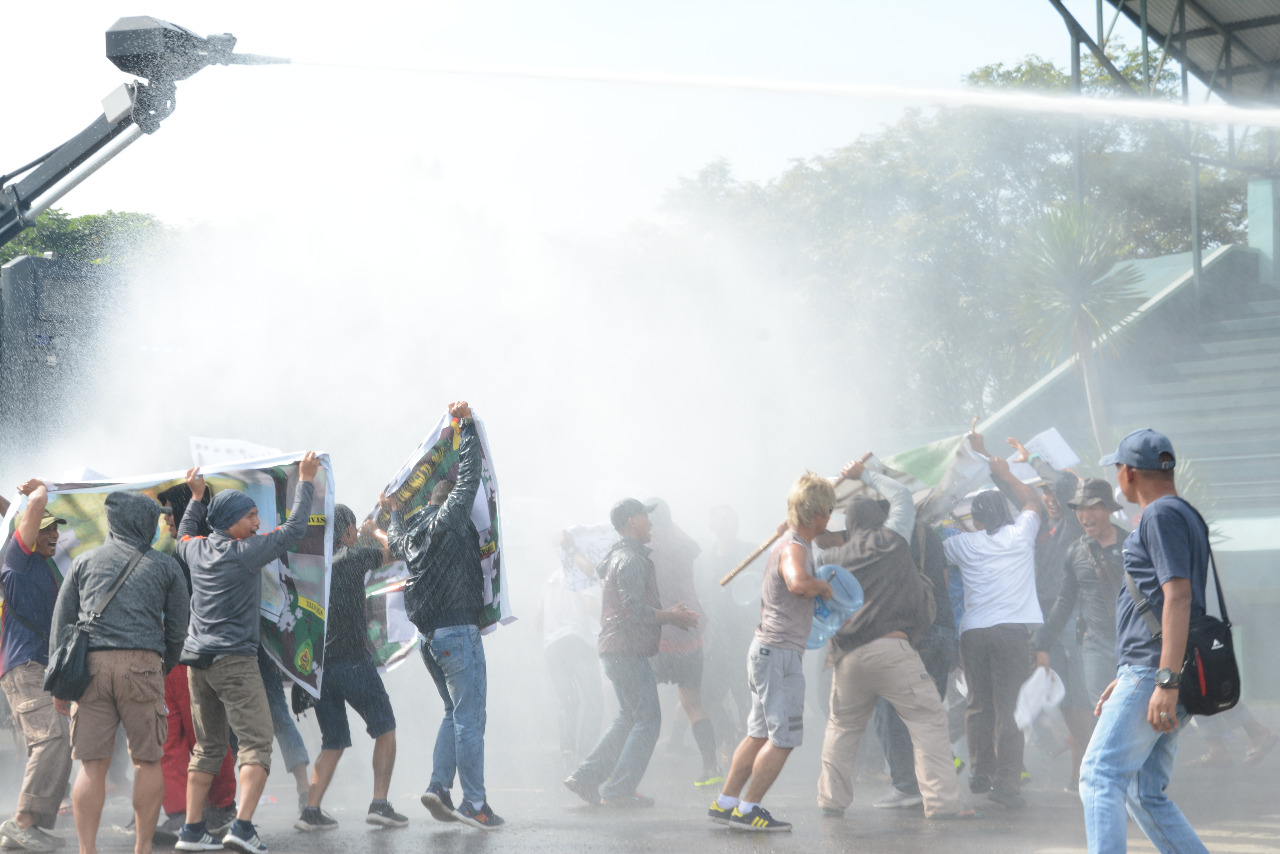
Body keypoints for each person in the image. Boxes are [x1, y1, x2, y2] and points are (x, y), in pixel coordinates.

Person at [174, 453, 320, 854]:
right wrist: (305, 482)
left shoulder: (195, 550)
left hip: (196, 664)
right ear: (232, 523)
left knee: (207, 747)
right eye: (252, 516)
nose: (258, 523)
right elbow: (293, 532)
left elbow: (183, 532)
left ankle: (191, 832)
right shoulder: (244, 552)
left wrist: (197, 497)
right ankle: (242, 826)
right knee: (256, 743)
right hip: (234, 663)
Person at [815, 457, 973, 820]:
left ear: (849, 525)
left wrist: (800, 519)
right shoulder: (892, 539)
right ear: (878, 520)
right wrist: (864, 474)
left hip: (848, 657)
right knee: (928, 721)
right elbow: (901, 495)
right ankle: (943, 803)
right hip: (893, 649)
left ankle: (831, 801)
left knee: (842, 728)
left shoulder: (830, 556)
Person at [1079, 429, 1212, 854]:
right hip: (1154, 670)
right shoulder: (1184, 513)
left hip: (1157, 674)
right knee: (1144, 792)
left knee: (1100, 774)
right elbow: (1162, 599)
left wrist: (1164, 681)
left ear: (1129, 472)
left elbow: (1178, 595)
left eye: (1116, 468)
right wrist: (1132, 674)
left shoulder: (1159, 515)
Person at [382, 401, 503, 830]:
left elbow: (394, 537)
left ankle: (439, 787)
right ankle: (474, 803)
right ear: (449, 501)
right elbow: (469, 476)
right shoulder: (451, 520)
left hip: (432, 640)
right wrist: (467, 427)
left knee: (454, 713)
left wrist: (394, 508)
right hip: (457, 632)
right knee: (469, 717)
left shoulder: (411, 531)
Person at [48, 491, 188, 854]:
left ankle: (87, 850)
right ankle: (142, 848)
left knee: (91, 765)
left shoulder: (84, 562)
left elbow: (61, 625)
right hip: (143, 666)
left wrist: (58, 683)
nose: (159, 524)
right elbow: (177, 630)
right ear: (142, 522)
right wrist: (163, 666)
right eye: (154, 518)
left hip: (90, 669)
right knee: (147, 760)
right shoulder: (165, 566)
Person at [710, 472, 835, 833]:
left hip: (766, 649)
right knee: (784, 738)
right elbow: (797, 582)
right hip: (779, 654)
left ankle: (726, 803)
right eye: (829, 511)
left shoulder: (789, 540)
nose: (831, 518)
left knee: (759, 733)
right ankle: (748, 809)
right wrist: (820, 586)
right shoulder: (795, 548)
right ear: (818, 516)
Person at [563, 499, 698, 808]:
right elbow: (634, 610)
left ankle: (585, 778)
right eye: (644, 517)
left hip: (615, 649)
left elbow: (592, 570)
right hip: (626, 649)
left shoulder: (614, 556)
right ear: (630, 521)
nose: (650, 523)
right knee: (648, 719)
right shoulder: (631, 559)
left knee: (628, 717)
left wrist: (572, 550)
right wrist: (671, 616)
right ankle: (619, 789)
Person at [942, 441, 1044, 810]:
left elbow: (937, 541)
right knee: (1010, 706)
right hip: (1012, 633)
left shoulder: (964, 544)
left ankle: (979, 772)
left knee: (977, 704)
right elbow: (1032, 502)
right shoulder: (1021, 535)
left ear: (978, 519)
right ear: (1005, 512)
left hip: (974, 633)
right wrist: (1005, 474)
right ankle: (1007, 783)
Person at [296, 504, 406, 831]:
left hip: (320, 672)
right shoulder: (355, 557)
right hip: (353, 663)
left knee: (333, 741)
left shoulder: (310, 568)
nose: (357, 533)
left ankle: (311, 811)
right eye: (354, 528)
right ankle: (380, 804)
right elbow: (395, 554)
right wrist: (376, 533)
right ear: (345, 532)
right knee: (385, 727)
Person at [1006, 437, 1091, 790]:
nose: (1051, 499)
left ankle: (1082, 768)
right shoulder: (1039, 526)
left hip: (1072, 620)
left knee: (1079, 699)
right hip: (1045, 624)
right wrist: (997, 468)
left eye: (1056, 494)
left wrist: (1033, 459)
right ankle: (1079, 763)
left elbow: (1063, 485)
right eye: (1046, 494)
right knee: (1061, 699)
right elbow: (1018, 497)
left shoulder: (1073, 523)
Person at [154, 486, 237, 842]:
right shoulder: (177, 554)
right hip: (171, 659)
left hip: (198, 658)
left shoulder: (211, 552)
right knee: (171, 738)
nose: (167, 518)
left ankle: (221, 806)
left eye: (172, 511)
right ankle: (179, 812)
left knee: (206, 733)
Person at [0, 480, 73, 853]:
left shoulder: (40, 566)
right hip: (25, 666)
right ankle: (23, 822)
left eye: (56, 527)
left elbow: (14, 517)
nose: (54, 534)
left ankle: (33, 823)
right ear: (28, 533)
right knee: (51, 738)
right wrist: (39, 488)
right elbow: (29, 512)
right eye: (46, 527)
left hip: (37, 666)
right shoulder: (18, 557)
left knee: (54, 739)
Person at [646, 498, 721, 787]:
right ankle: (711, 767)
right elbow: (693, 546)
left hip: (661, 634)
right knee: (692, 704)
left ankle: (629, 774)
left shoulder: (648, 547)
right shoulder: (683, 545)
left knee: (641, 709)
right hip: (690, 633)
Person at [1035, 478, 1126, 712]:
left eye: (1092, 507)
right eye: (1079, 508)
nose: (1084, 515)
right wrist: (1041, 644)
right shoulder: (1075, 553)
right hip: (1095, 643)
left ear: (1108, 508)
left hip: (1134, 642)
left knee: (1137, 709)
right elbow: (1064, 601)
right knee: (1103, 710)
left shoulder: (1132, 545)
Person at [533, 534, 603, 771]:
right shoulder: (583, 576)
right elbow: (590, 606)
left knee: (568, 700)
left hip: (552, 646)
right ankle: (587, 751)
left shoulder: (551, 580)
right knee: (593, 698)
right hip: (577, 642)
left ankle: (567, 749)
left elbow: (538, 623)